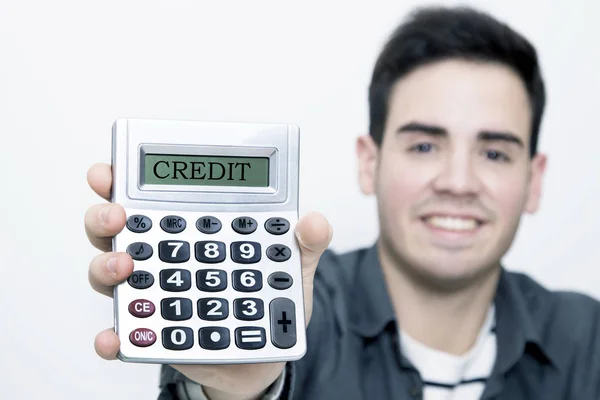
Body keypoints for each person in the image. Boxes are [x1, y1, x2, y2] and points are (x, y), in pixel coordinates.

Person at [85, 5, 600, 400]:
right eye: (424, 146)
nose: (458, 182)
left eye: (493, 151)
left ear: (534, 180)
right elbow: (240, 376)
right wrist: (242, 386)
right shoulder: (294, 315)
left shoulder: (589, 340)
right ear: (368, 163)